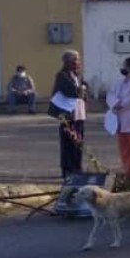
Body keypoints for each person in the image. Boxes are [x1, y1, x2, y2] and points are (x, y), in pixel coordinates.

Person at [50, 50, 87, 179]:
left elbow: (83, 91)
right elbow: (72, 92)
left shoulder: (77, 76)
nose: (78, 63)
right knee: (68, 143)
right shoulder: (62, 75)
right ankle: (68, 169)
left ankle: (77, 167)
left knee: (79, 143)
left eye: (78, 60)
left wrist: (82, 90)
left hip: (79, 114)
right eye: (75, 60)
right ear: (68, 62)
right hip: (68, 115)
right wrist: (81, 90)